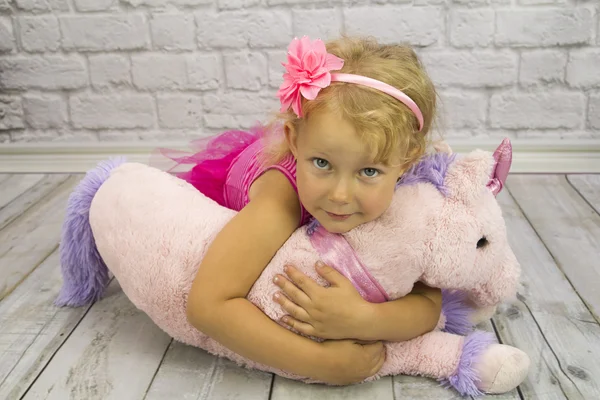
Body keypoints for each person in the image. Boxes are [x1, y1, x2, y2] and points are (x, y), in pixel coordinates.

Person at [155, 35, 442, 385]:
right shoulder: (281, 201)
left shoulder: (415, 200)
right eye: (321, 163)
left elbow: (430, 302)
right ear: (294, 140)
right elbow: (207, 305)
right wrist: (321, 362)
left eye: (369, 171)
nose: (339, 195)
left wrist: (364, 319)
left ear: (407, 162)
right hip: (236, 182)